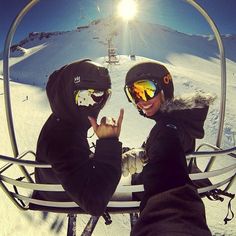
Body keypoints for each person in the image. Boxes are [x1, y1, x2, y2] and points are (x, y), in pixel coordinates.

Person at [123, 61, 213, 235]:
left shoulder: (167, 129)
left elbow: (166, 167)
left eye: (147, 90)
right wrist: (142, 152)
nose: (141, 101)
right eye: (134, 94)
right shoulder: (177, 120)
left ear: (165, 87)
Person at [32, 59, 124, 216]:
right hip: (63, 197)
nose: (94, 105)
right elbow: (94, 202)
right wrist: (109, 144)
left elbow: (71, 162)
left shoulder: (62, 118)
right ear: (66, 95)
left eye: (101, 96)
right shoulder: (63, 138)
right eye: (85, 97)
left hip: (58, 186)